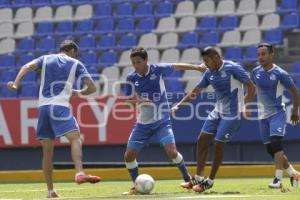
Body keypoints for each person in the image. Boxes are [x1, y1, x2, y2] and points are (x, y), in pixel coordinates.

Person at [7, 40, 101, 198]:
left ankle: (50, 191)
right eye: (75, 53)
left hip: (43, 108)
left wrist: (16, 84)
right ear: (72, 50)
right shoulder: (75, 63)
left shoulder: (45, 58)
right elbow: (92, 87)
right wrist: (77, 92)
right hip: (59, 107)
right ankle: (79, 172)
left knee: (47, 153)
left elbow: (26, 67)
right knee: (75, 137)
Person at [123, 47, 207, 194]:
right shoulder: (131, 78)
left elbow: (177, 66)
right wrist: (140, 101)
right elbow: (127, 101)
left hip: (162, 119)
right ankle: (136, 185)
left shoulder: (157, 69)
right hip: (143, 123)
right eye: (134, 63)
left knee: (171, 152)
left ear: (146, 60)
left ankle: (187, 178)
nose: (136, 65)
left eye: (139, 62)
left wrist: (198, 68)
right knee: (128, 156)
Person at [172, 47, 256, 193]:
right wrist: (179, 105)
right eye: (204, 61)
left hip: (232, 114)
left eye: (207, 61)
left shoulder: (233, 68)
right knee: (202, 140)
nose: (205, 64)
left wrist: (247, 106)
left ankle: (209, 181)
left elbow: (251, 86)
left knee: (218, 144)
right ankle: (198, 178)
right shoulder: (209, 73)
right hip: (217, 111)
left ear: (216, 57)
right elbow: (195, 91)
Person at [252, 43, 300, 188]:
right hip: (262, 116)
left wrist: (295, 111)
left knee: (276, 144)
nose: (261, 57)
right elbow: (253, 89)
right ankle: (294, 173)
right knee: (270, 149)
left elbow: (295, 92)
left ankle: (278, 180)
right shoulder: (255, 72)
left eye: (264, 54)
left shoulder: (281, 73)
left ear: (271, 55)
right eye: (259, 54)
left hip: (277, 113)